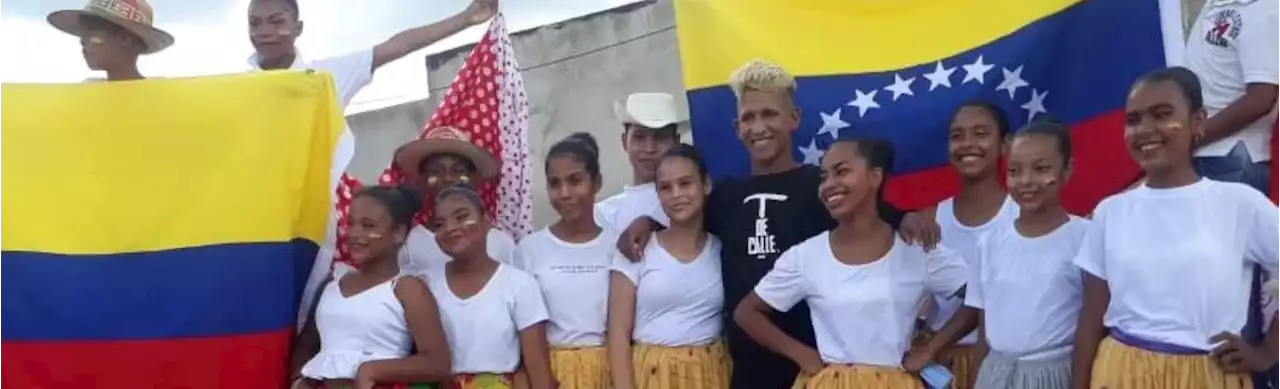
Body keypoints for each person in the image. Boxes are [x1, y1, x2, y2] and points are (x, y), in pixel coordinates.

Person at [616, 59, 940, 389]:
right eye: (748, 118)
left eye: (769, 114)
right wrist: (648, 222)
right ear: (736, 128)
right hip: (745, 373)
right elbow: (685, 225)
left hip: (817, 371)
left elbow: (878, 216)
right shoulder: (725, 197)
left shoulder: (824, 188)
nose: (758, 127)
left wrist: (906, 216)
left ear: (794, 118)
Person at [1071, 67, 1280, 389]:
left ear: (1198, 121)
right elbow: (1090, 320)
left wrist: (1268, 351)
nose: (1145, 129)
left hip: (1208, 375)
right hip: (1120, 372)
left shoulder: (1239, 204)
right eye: (1134, 120)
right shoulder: (1110, 211)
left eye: (1162, 114)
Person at [734, 138, 969, 389]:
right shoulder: (806, 256)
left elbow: (980, 297)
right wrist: (803, 355)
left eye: (842, 172)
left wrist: (932, 348)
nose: (829, 185)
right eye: (823, 177)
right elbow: (747, 312)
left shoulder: (916, 249)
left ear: (875, 176)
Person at [1184, 2, 1280, 386]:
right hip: (1206, 158)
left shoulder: (1263, 9)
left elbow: (1262, 97)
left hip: (1233, 160)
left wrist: (1190, 137)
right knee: (1205, 293)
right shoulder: (1216, 2)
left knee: (1234, 298)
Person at [959, 119, 1088, 389]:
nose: (1026, 181)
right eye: (1015, 171)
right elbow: (985, 332)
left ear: (1067, 171)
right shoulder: (989, 243)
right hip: (996, 374)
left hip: (1055, 374)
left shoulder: (1084, 238)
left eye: (1041, 169)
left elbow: (1094, 325)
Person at [290, 186, 452, 389]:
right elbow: (307, 343)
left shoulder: (406, 289)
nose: (355, 234)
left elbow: (437, 363)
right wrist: (297, 380)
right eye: (351, 224)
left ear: (398, 233)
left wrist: (372, 370)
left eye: (368, 226)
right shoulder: (333, 281)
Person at [607, 144, 730, 389]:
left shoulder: (722, 249)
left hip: (709, 374)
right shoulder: (636, 249)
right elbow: (618, 333)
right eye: (665, 187)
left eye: (685, 183)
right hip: (651, 375)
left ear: (705, 185)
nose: (676, 194)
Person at [920, 101, 1020, 389]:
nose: (968, 144)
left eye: (980, 133)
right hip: (936, 368)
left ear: (1005, 145)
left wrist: (932, 346)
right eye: (957, 136)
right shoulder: (929, 219)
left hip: (998, 365)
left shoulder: (1022, 217)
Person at [512, 133, 615, 389]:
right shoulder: (529, 250)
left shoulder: (617, 246)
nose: (565, 193)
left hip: (609, 370)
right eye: (555, 184)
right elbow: (521, 328)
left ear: (597, 183)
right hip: (549, 374)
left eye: (575, 180)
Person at [428, 185, 554, 389]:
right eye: (439, 224)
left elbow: (538, 368)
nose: (450, 228)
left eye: (461, 217)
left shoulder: (519, 284)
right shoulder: (426, 286)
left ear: (487, 221)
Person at [394, 126, 518, 276]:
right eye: (436, 171)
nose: (447, 178)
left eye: (458, 171)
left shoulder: (500, 242)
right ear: (423, 181)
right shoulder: (410, 245)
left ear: (472, 178)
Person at [594, 93, 683, 232]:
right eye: (639, 137)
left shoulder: (689, 203)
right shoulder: (603, 215)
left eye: (660, 137)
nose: (649, 148)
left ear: (676, 142)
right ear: (624, 142)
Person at [48, 0, 175, 81]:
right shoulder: (87, 93)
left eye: (94, 38)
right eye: (83, 39)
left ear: (125, 39)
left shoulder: (160, 93)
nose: (84, 47)